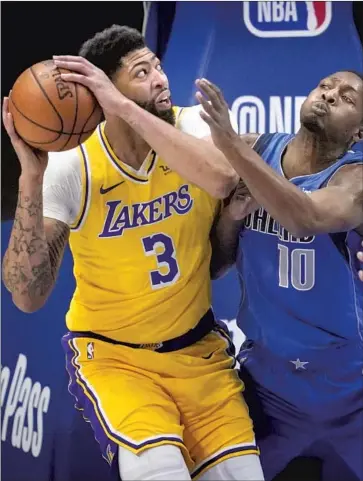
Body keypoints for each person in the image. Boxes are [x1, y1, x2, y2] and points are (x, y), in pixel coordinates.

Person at [2, 26, 264, 481]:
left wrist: (122, 103)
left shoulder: (192, 126)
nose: (161, 79)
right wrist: (30, 178)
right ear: (102, 90)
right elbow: (27, 296)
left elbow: (223, 179)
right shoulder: (75, 164)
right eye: (141, 73)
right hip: (116, 359)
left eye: (158, 67)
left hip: (198, 353)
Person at [195, 71, 363, 481]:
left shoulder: (355, 180)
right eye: (326, 85)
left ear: (359, 132)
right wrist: (232, 219)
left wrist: (229, 144)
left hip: (351, 391)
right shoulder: (257, 150)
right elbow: (216, 265)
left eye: (348, 97)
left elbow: (305, 218)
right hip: (269, 389)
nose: (329, 94)